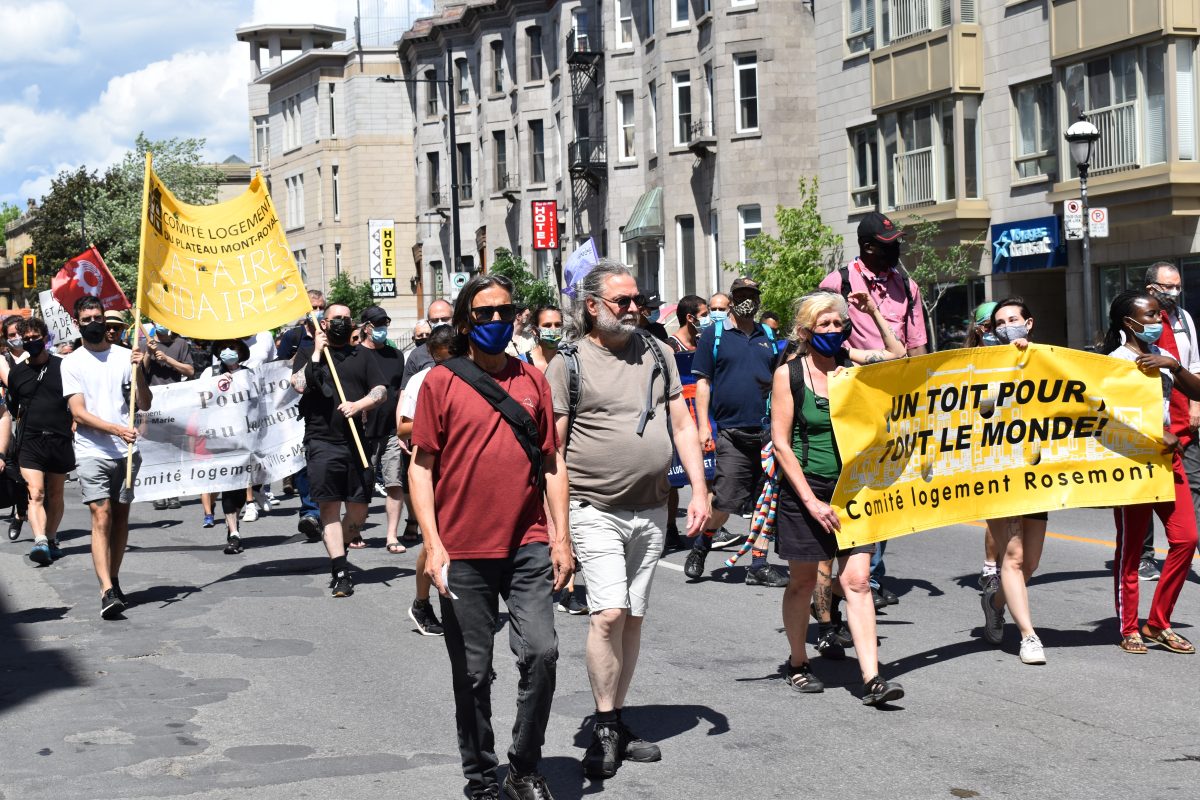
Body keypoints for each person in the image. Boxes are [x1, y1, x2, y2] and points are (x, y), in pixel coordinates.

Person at [409, 274, 571, 800]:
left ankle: (524, 765)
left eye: (505, 312)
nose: (497, 321)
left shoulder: (533, 382)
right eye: (484, 314)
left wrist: (562, 538)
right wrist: (433, 545)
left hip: (527, 543)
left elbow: (551, 463)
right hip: (463, 553)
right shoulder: (441, 383)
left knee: (542, 654)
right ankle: (480, 779)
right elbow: (420, 468)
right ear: (465, 322)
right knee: (474, 675)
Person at [548, 261, 709, 779]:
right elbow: (553, 453)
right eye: (623, 301)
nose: (635, 308)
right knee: (609, 614)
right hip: (593, 508)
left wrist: (699, 491)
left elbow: (681, 423)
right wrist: (559, 533)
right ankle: (602, 725)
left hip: (650, 507)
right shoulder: (568, 363)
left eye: (638, 299)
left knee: (633, 617)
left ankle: (616, 717)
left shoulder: (658, 353)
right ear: (593, 307)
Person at [770, 290, 905, 703]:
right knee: (804, 581)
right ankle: (797, 662)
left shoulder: (853, 366)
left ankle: (871, 678)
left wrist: (875, 313)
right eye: (824, 324)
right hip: (806, 490)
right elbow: (781, 444)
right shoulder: (790, 375)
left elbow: (899, 358)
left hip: (853, 489)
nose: (833, 330)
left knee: (858, 581)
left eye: (838, 323)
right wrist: (810, 500)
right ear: (806, 330)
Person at [819, 211, 928, 610]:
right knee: (848, 482)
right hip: (847, 398)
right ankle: (836, 571)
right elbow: (819, 335)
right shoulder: (838, 282)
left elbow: (916, 347)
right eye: (888, 243)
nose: (896, 249)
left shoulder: (908, 286)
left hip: (892, 404)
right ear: (867, 247)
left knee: (883, 484)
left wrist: (925, 398)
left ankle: (870, 573)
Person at [1104, 289, 1200, 655]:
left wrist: (1174, 366)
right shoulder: (1114, 361)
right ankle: (1129, 627)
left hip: (1168, 460)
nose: (1158, 321)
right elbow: (1104, 417)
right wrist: (1152, 434)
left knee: (1186, 540)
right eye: (1151, 315)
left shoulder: (1163, 356)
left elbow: (1198, 391)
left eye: (1160, 315)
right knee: (1130, 551)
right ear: (1130, 323)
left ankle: (1158, 623)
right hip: (1133, 464)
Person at [688, 276, 787, 587]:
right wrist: (704, 425)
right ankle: (703, 543)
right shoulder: (714, 336)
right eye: (742, 294)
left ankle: (759, 564)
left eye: (753, 295)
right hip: (731, 432)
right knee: (726, 500)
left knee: (765, 499)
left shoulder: (767, 335)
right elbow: (702, 382)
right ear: (731, 299)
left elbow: (780, 380)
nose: (748, 300)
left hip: (767, 432)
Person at [61, 297, 151, 620]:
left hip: (126, 453)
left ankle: (113, 576)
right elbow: (78, 413)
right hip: (92, 451)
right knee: (101, 515)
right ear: (77, 323)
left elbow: (144, 403)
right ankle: (106, 591)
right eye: (87, 319)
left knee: (121, 518)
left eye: (98, 317)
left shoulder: (126, 356)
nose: (94, 323)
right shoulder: (71, 363)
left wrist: (139, 370)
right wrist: (115, 429)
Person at [289, 302, 387, 598]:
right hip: (321, 441)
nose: (342, 322)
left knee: (358, 512)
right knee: (329, 507)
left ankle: (339, 549)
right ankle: (340, 570)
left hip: (357, 440)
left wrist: (360, 405)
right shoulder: (309, 355)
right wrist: (317, 352)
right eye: (336, 318)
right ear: (324, 323)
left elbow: (381, 390)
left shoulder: (363, 356)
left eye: (346, 318)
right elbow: (299, 385)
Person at [975, 298, 1049, 664]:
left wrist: (1028, 359)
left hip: (1037, 472)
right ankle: (1028, 636)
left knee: (1030, 562)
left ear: (1029, 323)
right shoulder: (985, 363)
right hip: (997, 471)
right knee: (1015, 555)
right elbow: (982, 408)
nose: (1007, 327)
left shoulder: (1048, 360)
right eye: (999, 323)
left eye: (1013, 320)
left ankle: (995, 601)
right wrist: (1004, 365)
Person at [1139, 262, 1200, 581]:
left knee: (1195, 486)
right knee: (1148, 489)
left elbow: (1194, 365)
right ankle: (1144, 555)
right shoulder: (1137, 320)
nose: (1174, 292)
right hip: (1149, 421)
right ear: (1152, 288)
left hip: (1182, 415)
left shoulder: (1184, 319)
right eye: (1168, 286)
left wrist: (1195, 405)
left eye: (1178, 286)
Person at [395, 324, 456, 636]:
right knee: (433, 540)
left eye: (454, 357)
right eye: (442, 360)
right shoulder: (422, 381)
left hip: (464, 471)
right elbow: (404, 428)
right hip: (431, 470)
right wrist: (441, 423)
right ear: (432, 357)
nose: (448, 365)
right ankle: (421, 601)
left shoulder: (471, 375)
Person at [8, 318, 74, 566]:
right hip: (31, 440)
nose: (31, 342)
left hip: (59, 438)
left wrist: (75, 420)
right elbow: (15, 407)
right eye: (27, 339)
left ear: (45, 338)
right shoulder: (17, 373)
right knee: (35, 493)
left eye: (36, 337)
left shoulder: (63, 367)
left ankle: (52, 537)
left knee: (56, 493)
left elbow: (74, 399)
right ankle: (40, 541)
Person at [358, 305, 407, 553]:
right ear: (366, 328)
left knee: (394, 482)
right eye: (377, 325)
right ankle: (355, 532)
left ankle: (391, 536)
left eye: (384, 324)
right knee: (361, 484)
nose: (381, 329)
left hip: (390, 430)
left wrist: (402, 428)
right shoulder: (355, 355)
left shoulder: (396, 356)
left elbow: (400, 392)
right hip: (362, 432)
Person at [201, 339, 255, 554]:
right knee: (227, 484)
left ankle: (236, 518)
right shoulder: (210, 373)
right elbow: (199, 399)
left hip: (244, 437)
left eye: (231, 347)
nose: (227, 352)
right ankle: (233, 533)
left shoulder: (249, 374)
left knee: (241, 488)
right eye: (222, 348)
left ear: (240, 351)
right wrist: (216, 386)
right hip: (220, 439)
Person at [144, 325, 193, 511]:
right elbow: (139, 372)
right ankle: (159, 493)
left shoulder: (180, 343)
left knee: (174, 449)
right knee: (155, 449)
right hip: (152, 403)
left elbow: (189, 371)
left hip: (174, 402)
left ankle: (173, 492)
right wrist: (148, 353)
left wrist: (168, 359)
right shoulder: (144, 343)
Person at [0, 314, 29, 542]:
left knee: (42, 479)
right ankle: (19, 513)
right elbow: (15, 385)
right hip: (15, 420)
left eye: (21, 332)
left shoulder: (41, 356)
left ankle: (46, 534)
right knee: (18, 472)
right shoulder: (4, 360)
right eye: (12, 335)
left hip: (41, 421)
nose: (17, 338)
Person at [276, 290, 326, 360]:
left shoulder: (329, 334)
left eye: (321, 308)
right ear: (306, 309)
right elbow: (281, 366)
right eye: (314, 308)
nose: (318, 311)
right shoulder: (291, 336)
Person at [526, 305, 564, 372]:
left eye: (558, 325)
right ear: (535, 330)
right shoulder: (523, 362)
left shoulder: (569, 361)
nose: (553, 329)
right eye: (547, 325)